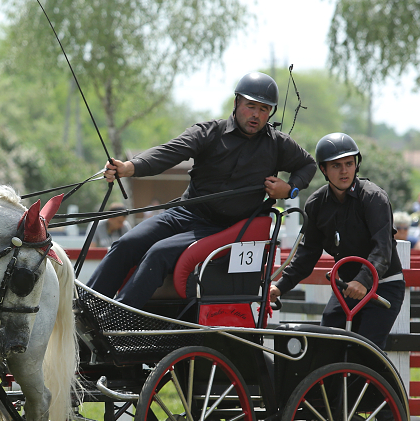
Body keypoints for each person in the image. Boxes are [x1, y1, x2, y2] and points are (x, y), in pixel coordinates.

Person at [86, 71, 316, 308]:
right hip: (185, 213)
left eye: (264, 109)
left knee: (159, 253)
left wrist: (290, 190)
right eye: (251, 106)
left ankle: (119, 317)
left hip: (224, 229)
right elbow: (169, 152)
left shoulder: (278, 144)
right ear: (237, 102)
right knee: (127, 243)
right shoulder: (209, 132)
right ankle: (85, 308)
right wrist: (129, 167)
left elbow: (308, 165)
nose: (256, 115)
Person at [268, 133, 403, 350]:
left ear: (356, 165)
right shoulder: (316, 204)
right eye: (336, 165)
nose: (344, 171)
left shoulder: (374, 198)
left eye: (349, 163)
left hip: (383, 287)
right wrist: (280, 287)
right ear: (323, 169)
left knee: (365, 353)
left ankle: (374, 383)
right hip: (346, 288)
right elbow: (307, 254)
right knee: (325, 347)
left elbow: (382, 249)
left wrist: (363, 280)